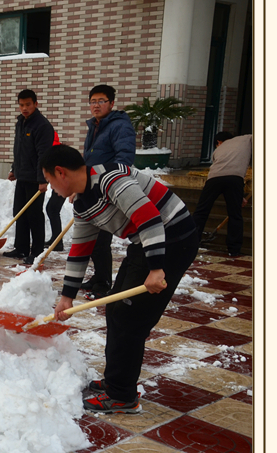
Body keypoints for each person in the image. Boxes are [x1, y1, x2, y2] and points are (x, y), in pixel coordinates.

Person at [42, 144, 198, 413]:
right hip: (145, 242)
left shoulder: (110, 179)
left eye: (50, 182)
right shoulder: (82, 203)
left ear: (61, 173)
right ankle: (116, 381)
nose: (52, 189)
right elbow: (80, 250)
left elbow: (149, 218)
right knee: (115, 309)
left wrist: (157, 268)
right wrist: (67, 297)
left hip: (174, 237)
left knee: (130, 318)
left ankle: (122, 395)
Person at [80, 84, 136, 299]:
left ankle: (103, 284)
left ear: (111, 104)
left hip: (108, 189)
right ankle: (98, 277)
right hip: (92, 188)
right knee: (95, 239)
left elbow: (124, 159)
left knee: (101, 240)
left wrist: (109, 185)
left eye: (101, 101)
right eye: (93, 101)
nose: (96, 105)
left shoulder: (119, 126)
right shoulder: (95, 126)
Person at [3, 89, 55, 265]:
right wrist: (14, 169)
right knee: (20, 213)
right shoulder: (21, 122)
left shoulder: (42, 126)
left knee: (34, 215)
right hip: (22, 175)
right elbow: (19, 150)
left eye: (28, 105)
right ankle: (21, 247)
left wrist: (42, 179)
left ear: (36, 104)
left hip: (35, 179)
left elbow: (44, 154)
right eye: (21, 105)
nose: (24, 108)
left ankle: (37, 251)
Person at [191, 132, 251, 257]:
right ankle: (234, 249)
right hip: (235, 179)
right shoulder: (246, 139)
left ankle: (191, 243)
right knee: (235, 214)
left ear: (219, 142)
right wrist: (239, 197)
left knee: (201, 212)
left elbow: (224, 169)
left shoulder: (217, 151)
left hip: (213, 179)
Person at [45, 130, 65, 251]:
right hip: (60, 184)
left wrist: (55, 182)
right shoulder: (56, 148)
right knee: (52, 209)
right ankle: (56, 240)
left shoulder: (53, 151)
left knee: (52, 209)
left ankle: (58, 242)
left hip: (62, 185)